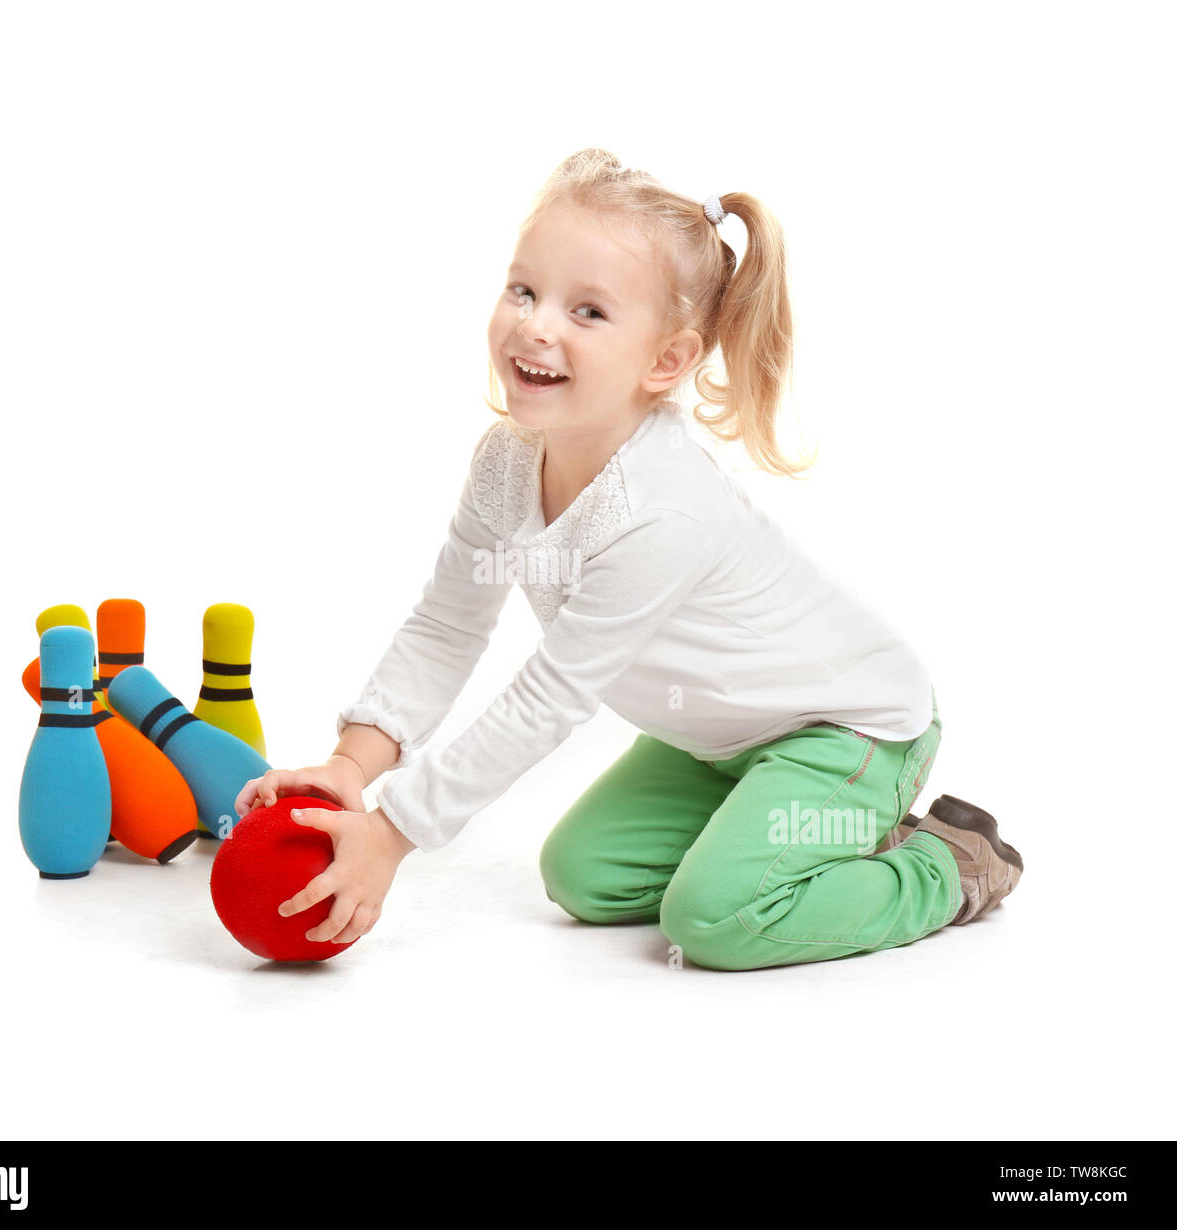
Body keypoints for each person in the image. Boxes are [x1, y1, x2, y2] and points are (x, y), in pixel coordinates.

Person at [233, 148, 1023, 970]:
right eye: (524, 291)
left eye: (588, 312)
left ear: (668, 361)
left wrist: (393, 834)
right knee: (584, 878)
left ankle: (945, 863)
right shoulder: (506, 462)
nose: (537, 325)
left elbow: (548, 697)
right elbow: (445, 625)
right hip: (720, 741)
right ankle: (810, 832)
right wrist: (351, 764)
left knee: (715, 921)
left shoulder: (662, 509)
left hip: (849, 728)